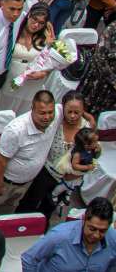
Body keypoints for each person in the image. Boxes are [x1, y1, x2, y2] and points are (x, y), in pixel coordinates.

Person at [15, 90, 95, 218]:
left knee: (48, 208)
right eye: (69, 111)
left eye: (77, 112)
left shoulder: (86, 129)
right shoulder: (55, 120)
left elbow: (90, 154)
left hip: (66, 178)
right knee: (29, 203)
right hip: (45, 172)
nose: (73, 116)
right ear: (63, 108)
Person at [0, 90, 59, 212]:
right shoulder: (15, 131)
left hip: (25, 184)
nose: (47, 117)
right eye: (42, 113)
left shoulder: (55, 118)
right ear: (32, 109)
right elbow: (0, 159)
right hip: (4, 183)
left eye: (50, 112)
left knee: (6, 213)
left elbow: (70, 104)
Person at [22, 196, 116, 271]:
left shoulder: (113, 239)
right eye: (92, 229)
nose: (96, 235)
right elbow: (28, 259)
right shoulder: (59, 236)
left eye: (103, 231)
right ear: (83, 219)